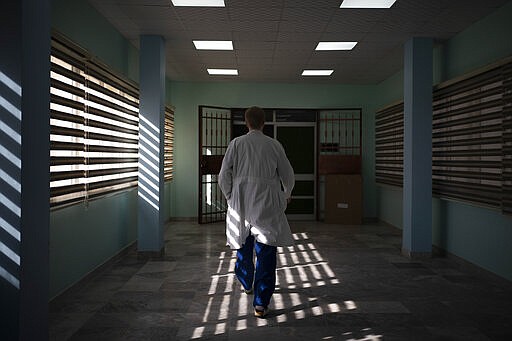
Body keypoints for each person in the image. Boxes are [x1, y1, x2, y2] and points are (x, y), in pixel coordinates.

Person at [218, 106, 295, 318]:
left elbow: (224, 173)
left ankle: (246, 283)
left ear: (246, 122)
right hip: (267, 200)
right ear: (264, 122)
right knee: (267, 250)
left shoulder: (236, 144)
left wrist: (229, 195)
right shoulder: (274, 145)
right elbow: (287, 173)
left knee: (243, 244)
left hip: (241, 200)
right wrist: (286, 193)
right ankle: (261, 303)